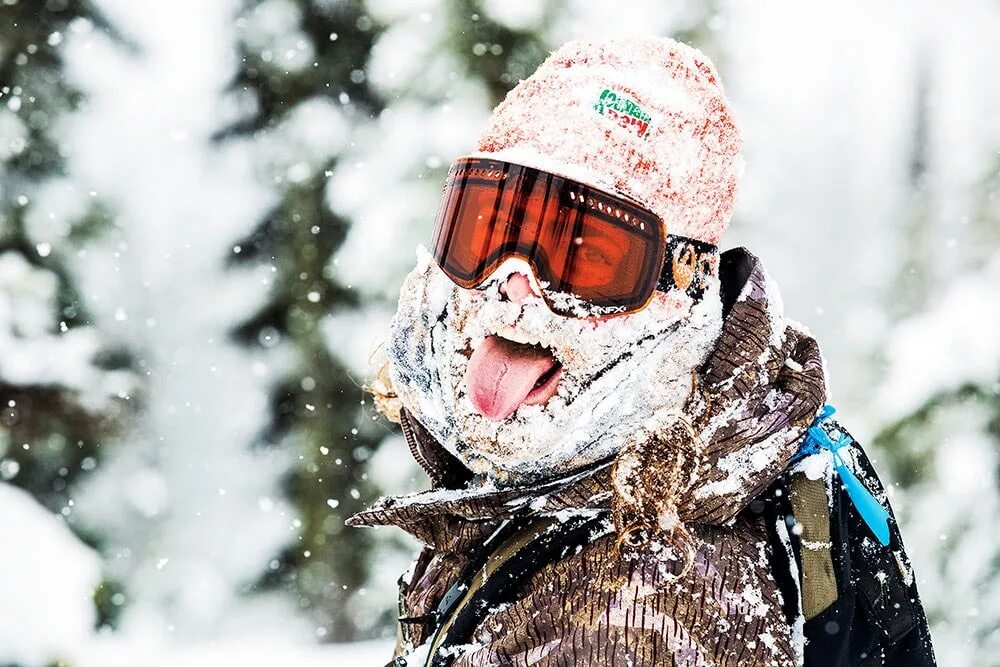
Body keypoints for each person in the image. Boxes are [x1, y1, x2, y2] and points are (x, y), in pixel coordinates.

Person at [349, 36, 936, 667]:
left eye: (587, 255)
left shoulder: (636, 614)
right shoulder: (625, 474)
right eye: (491, 228)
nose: (515, 283)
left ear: (683, 285)